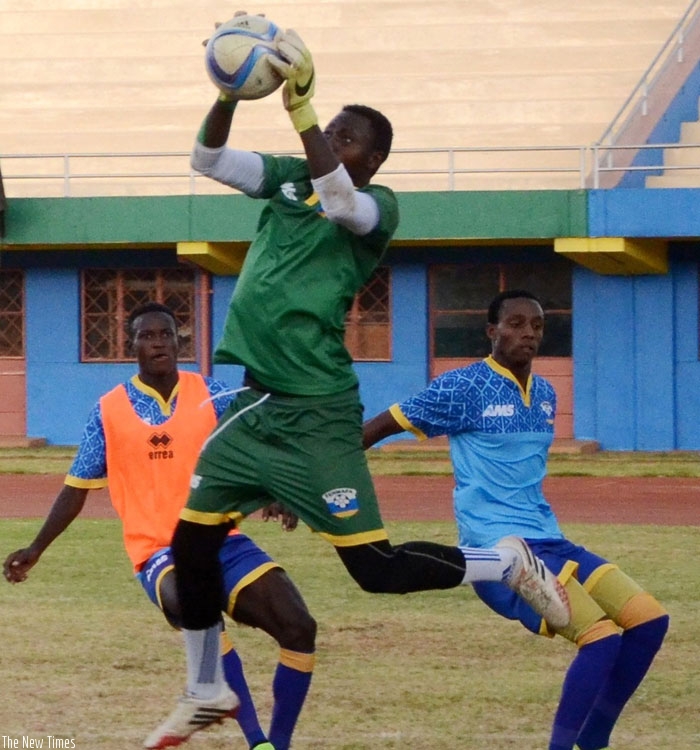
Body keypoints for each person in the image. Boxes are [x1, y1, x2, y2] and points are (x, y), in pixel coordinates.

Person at [146, 20, 571, 748]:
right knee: (189, 544)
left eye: (345, 138)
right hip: (258, 404)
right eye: (330, 131)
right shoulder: (287, 180)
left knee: (373, 570)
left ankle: (505, 562)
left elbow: (341, 202)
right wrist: (227, 94)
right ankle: (206, 688)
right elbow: (207, 157)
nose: (329, 142)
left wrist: (304, 109)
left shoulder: (377, 210)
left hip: (317, 411)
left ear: (371, 159)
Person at [363, 289, 670, 750]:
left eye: (537, 326)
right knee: (601, 640)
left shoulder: (545, 393)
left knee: (650, 621)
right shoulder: (461, 387)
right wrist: (306, 486)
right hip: (501, 554)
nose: (528, 333)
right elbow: (372, 431)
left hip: (551, 540)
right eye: (517, 324)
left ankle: (594, 741)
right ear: (492, 331)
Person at [3, 302, 316, 750]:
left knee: (299, 625)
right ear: (131, 346)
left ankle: (275, 745)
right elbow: (76, 487)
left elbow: (265, 444)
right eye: (147, 336)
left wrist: (281, 491)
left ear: (178, 341)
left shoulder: (212, 394)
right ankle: (242, 726)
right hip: (159, 551)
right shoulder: (108, 411)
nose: (158, 343)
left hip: (222, 537)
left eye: (166, 334)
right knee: (192, 598)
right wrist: (37, 547)